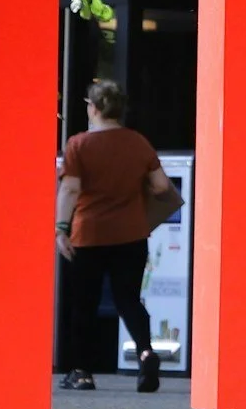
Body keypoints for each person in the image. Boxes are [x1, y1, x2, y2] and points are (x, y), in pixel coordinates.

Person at [56, 79, 172, 392]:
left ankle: (81, 372)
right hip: (132, 234)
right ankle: (146, 352)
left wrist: (61, 228)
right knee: (129, 300)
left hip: (89, 234)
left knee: (84, 304)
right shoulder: (138, 143)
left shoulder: (79, 144)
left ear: (93, 108)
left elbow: (70, 188)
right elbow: (162, 186)